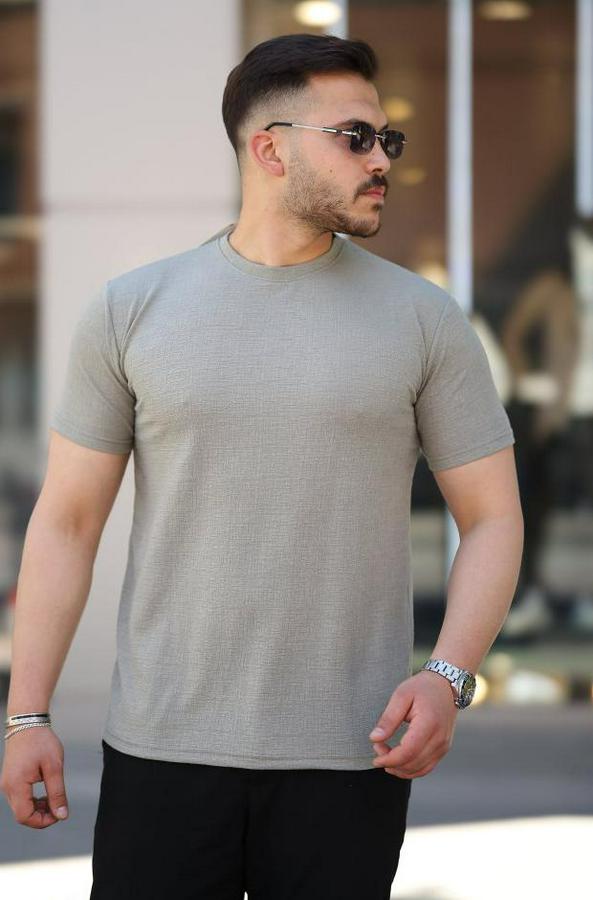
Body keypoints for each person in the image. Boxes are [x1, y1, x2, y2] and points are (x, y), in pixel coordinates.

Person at [0, 32, 524, 900]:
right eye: (354, 137)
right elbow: (66, 522)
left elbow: (493, 517)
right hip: (161, 753)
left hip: (351, 756)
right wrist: (26, 715)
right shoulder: (132, 310)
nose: (381, 159)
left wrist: (447, 675)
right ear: (269, 149)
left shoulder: (424, 320)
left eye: (386, 139)